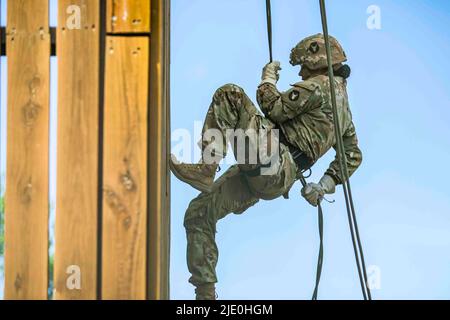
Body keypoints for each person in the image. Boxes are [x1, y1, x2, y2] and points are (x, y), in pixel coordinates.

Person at [170, 33, 363, 300]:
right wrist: (324, 185)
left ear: (317, 62)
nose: (302, 72)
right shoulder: (346, 115)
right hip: (274, 177)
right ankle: (206, 295)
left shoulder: (319, 86)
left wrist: (267, 80)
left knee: (230, 95)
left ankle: (207, 167)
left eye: (304, 66)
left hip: (274, 160)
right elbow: (352, 155)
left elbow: (274, 109)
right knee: (199, 212)